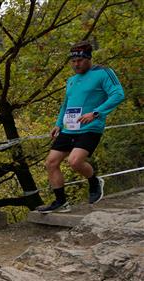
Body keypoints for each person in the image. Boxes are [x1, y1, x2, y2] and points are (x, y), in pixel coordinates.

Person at [37, 40, 125, 213]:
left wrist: (96, 113)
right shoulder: (71, 80)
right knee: (51, 162)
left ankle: (94, 182)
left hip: (90, 127)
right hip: (69, 128)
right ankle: (61, 202)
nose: (76, 64)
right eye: (73, 61)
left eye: (80, 60)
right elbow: (66, 104)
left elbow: (118, 94)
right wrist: (58, 124)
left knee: (75, 161)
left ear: (89, 58)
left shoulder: (103, 73)